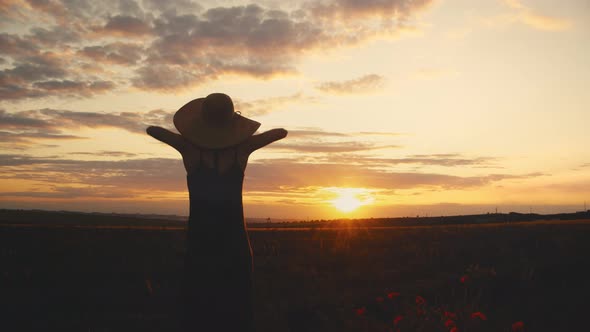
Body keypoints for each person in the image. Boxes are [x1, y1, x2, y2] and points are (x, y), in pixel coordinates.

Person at [146, 93, 287, 331]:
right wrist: (243, 138)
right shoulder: (241, 151)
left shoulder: (189, 151)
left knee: (198, 309)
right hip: (235, 242)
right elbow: (280, 132)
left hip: (200, 240)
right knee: (237, 310)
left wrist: (187, 139)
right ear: (232, 123)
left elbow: (153, 130)